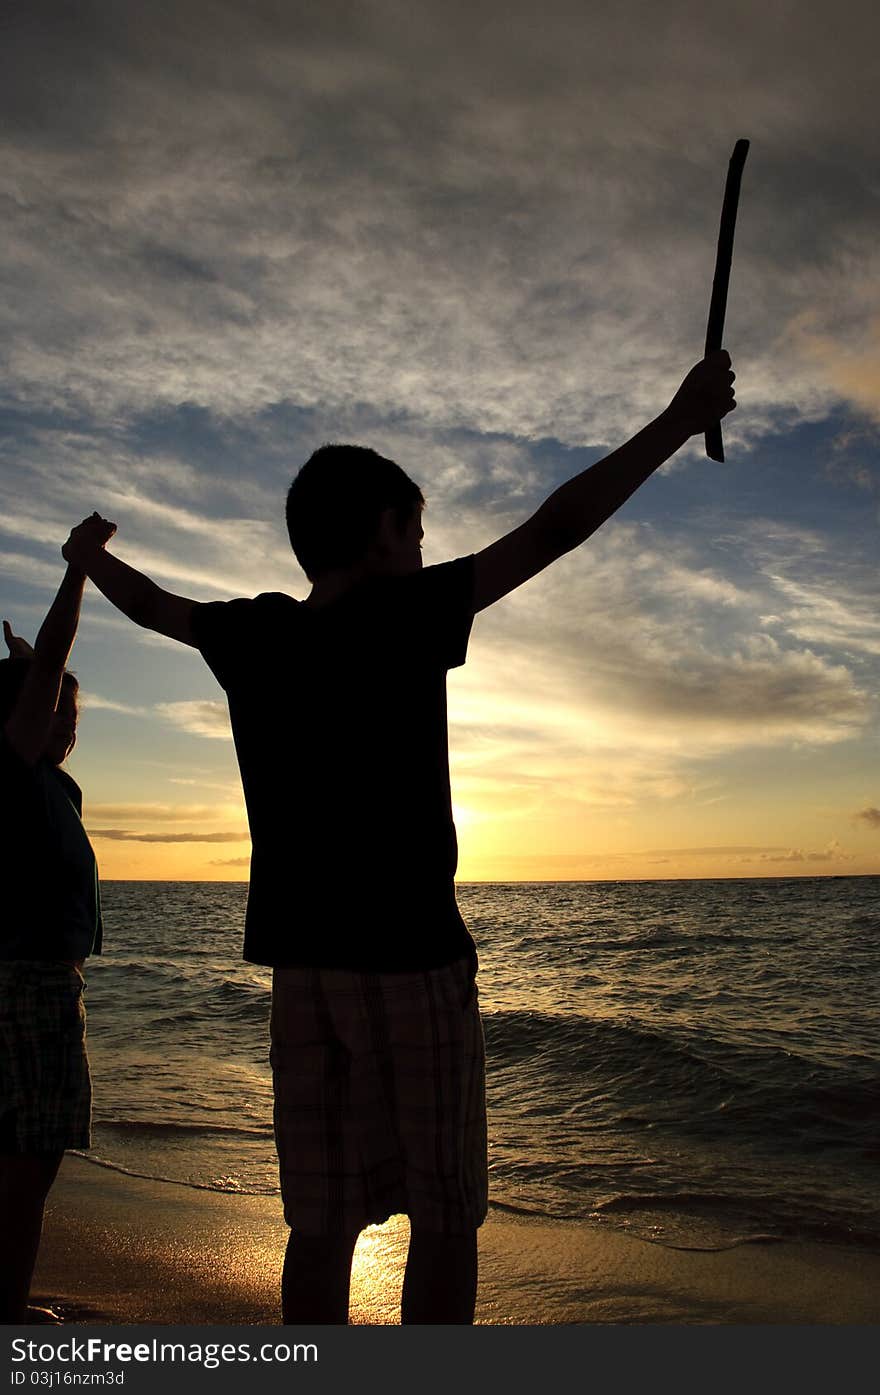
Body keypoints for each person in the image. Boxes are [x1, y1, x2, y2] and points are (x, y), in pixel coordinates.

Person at [63, 350, 736, 1324]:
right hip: (412, 959)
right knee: (443, 1214)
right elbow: (554, 527)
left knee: (322, 1222)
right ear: (382, 538)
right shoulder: (403, 614)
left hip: (302, 970)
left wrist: (92, 561)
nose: (424, 551)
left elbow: (156, 608)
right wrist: (674, 422)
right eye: (415, 532)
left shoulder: (256, 635)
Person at [0, 525, 113, 1324]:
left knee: (26, 1158)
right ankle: (7, 1312)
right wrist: (77, 571)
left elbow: (34, 675)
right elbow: (47, 659)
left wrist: (20, 669)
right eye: (57, 711)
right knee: (26, 1160)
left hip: (50, 979)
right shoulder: (7, 772)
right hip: (26, 978)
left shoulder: (51, 787)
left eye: (72, 715)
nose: (67, 727)